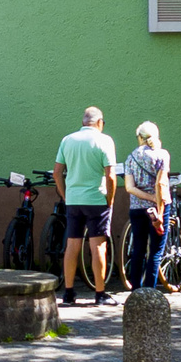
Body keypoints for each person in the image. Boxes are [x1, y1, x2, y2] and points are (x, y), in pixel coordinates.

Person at [54, 106, 117, 307]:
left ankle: (69, 292)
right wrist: (111, 199)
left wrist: (65, 195)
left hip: (73, 200)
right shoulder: (105, 140)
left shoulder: (67, 140)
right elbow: (111, 176)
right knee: (98, 245)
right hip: (96, 199)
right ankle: (100, 293)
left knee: (72, 244)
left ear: (83, 122)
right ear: (100, 122)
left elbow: (57, 173)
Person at [123, 121, 171, 290]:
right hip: (157, 209)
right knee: (156, 251)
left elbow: (129, 188)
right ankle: (151, 291)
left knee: (138, 249)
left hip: (136, 209)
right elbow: (161, 185)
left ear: (139, 138)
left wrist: (147, 197)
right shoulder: (162, 155)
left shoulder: (130, 158)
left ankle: (136, 290)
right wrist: (157, 202)